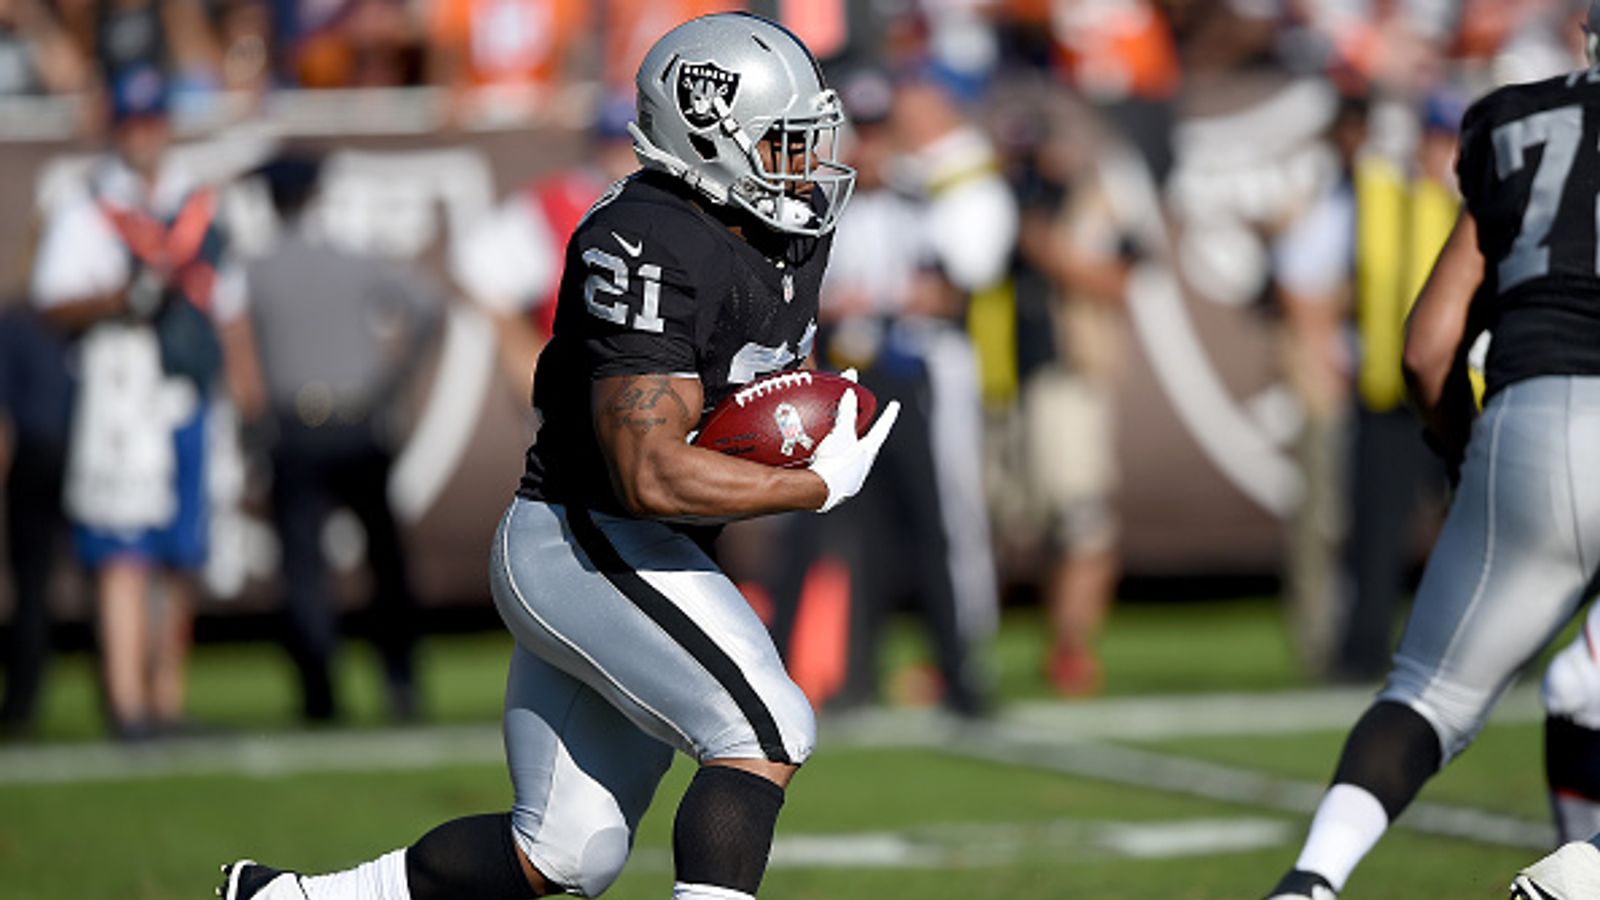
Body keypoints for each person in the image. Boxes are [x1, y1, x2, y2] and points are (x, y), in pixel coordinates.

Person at [220, 12, 896, 900]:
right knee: (764, 729)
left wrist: (797, 421)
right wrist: (808, 485)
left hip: (649, 551)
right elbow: (648, 473)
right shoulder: (647, 241)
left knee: (567, 855)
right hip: (584, 541)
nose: (806, 165)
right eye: (782, 141)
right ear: (708, 137)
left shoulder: (782, 226)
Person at [1264, 7, 1600, 899]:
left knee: (1428, 695)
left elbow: (1428, 344)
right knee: (1583, 681)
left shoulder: (1517, 122)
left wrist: (1463, 450)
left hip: (1532, 417)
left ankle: (1311, 879)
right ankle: (1589, 869)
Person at [30, 65, 245, 741]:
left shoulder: (196, 204)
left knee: (180, 550)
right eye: (132, 122)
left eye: (152, 121)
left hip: (186, 387)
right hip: (122, 388)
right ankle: (126, 699)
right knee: (122, 547)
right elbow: (53, 300)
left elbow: (229, 306)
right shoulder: (89, 207)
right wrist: (118, 298)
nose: (143, 135)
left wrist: (245, 383)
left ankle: (164, 694)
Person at [242, 153, 439, 724]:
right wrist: (390, 384)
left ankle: (319, 693)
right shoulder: (355, 260)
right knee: (386, 562)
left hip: (294, 428)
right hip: (358, 421)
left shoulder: (257, 266)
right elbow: (427, 308)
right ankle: (400, 683)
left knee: (304, 568)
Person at [0, 302, 75, 739]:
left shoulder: (17, 322)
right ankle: (127, 700)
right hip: (77, 453)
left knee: (32, 586)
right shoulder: (77, 322)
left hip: (40, 456)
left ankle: (22, 705)